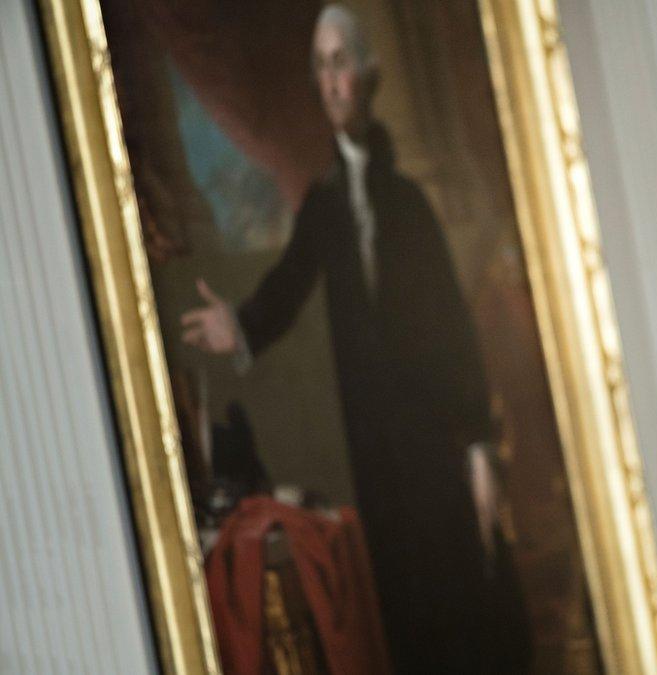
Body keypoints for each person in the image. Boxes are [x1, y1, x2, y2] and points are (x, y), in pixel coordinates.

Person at [181, 4, 530, 671]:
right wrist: (242, 324)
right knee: (412, 614)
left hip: (439, 447)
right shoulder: (325, 207)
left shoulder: (408, 204)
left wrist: (480, 446)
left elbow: (454, 329)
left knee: (472, 606)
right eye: (320, 67)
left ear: (366, 75)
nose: (331, 79)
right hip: (378, 457)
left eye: (341, 62)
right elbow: (287, 286)